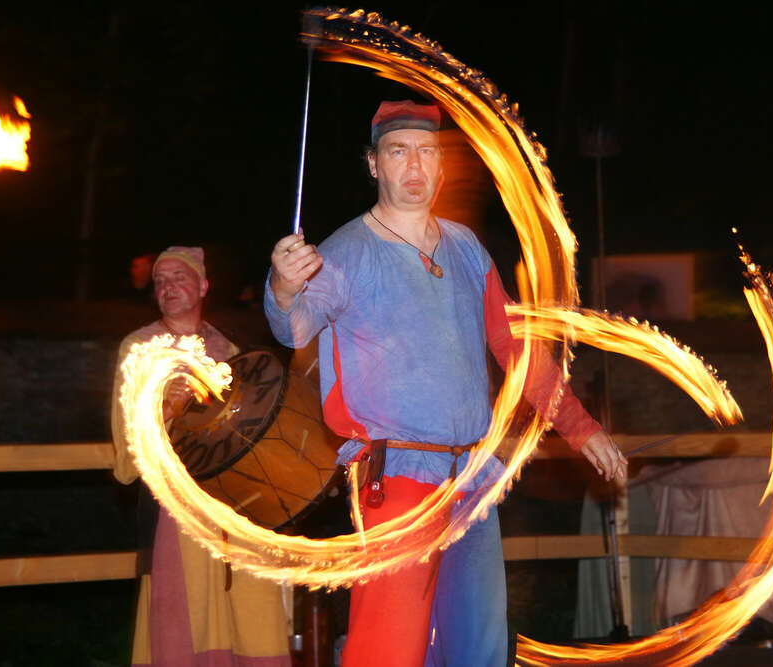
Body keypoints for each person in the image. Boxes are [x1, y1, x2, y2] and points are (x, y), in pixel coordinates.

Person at [264, 100, 626, 667]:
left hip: (473, 480)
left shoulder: (465, 248)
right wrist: (283, 288)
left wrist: (579, 428)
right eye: (398, 151)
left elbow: (514, 348)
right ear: (373, 164)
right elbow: (295, 325)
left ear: (442, 166)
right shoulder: (344, 254)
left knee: (475, 647)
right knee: (389, 649)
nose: (414, 166)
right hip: (398, 481)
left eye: (427, 152)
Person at [110, 245, 292, 667]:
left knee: (249, 615)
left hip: (236, 506)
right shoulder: (139, 349)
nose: (168, 287)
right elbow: (125, 454)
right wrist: (167, 410)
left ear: (203, 285)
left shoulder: (228, 350)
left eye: (179, 278)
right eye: (160, 281)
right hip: (177, 512)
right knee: (183, 624)